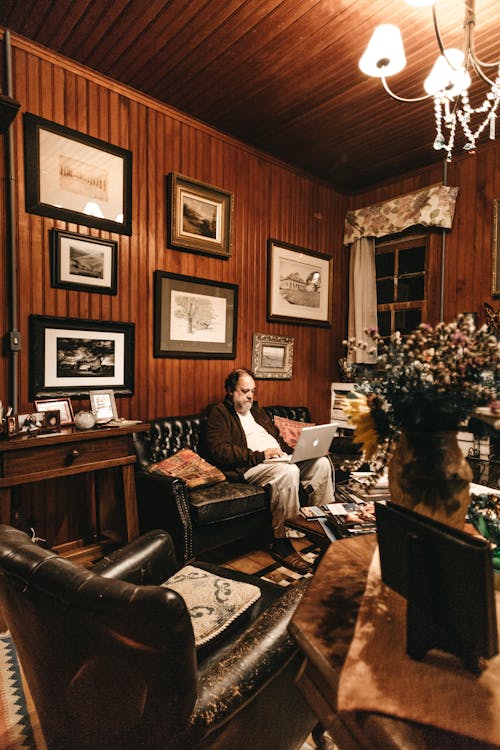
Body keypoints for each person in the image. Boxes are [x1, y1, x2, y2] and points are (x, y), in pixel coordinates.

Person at [205, 368, 335, 573]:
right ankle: (282, 541)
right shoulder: (218, 413)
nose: (250, 396)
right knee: (289, 472)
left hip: (279, 460)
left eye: (253, 391)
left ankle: (323, 528)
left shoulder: (257, 412)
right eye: (244, 391)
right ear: (230, 391)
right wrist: (261, 455)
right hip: (251, 466)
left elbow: (279, 441)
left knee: (321, 463)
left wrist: (298, 453)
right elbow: (220, 451)